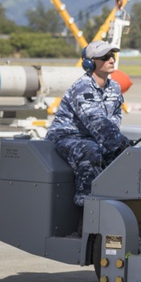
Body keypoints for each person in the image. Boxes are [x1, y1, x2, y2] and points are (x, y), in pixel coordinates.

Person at [47, 40, 132, 210]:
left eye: (112, 55)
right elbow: (96, 122)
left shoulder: (114, 88)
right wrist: (119, 144)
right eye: (105, 57)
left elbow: (114, 119)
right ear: (90, 63)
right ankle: (86, 205)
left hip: (94, 137)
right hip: (67, 136)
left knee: (117, 154)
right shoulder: (83, 88)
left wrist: (121, 146)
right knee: (90, 151)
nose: (111, 60)